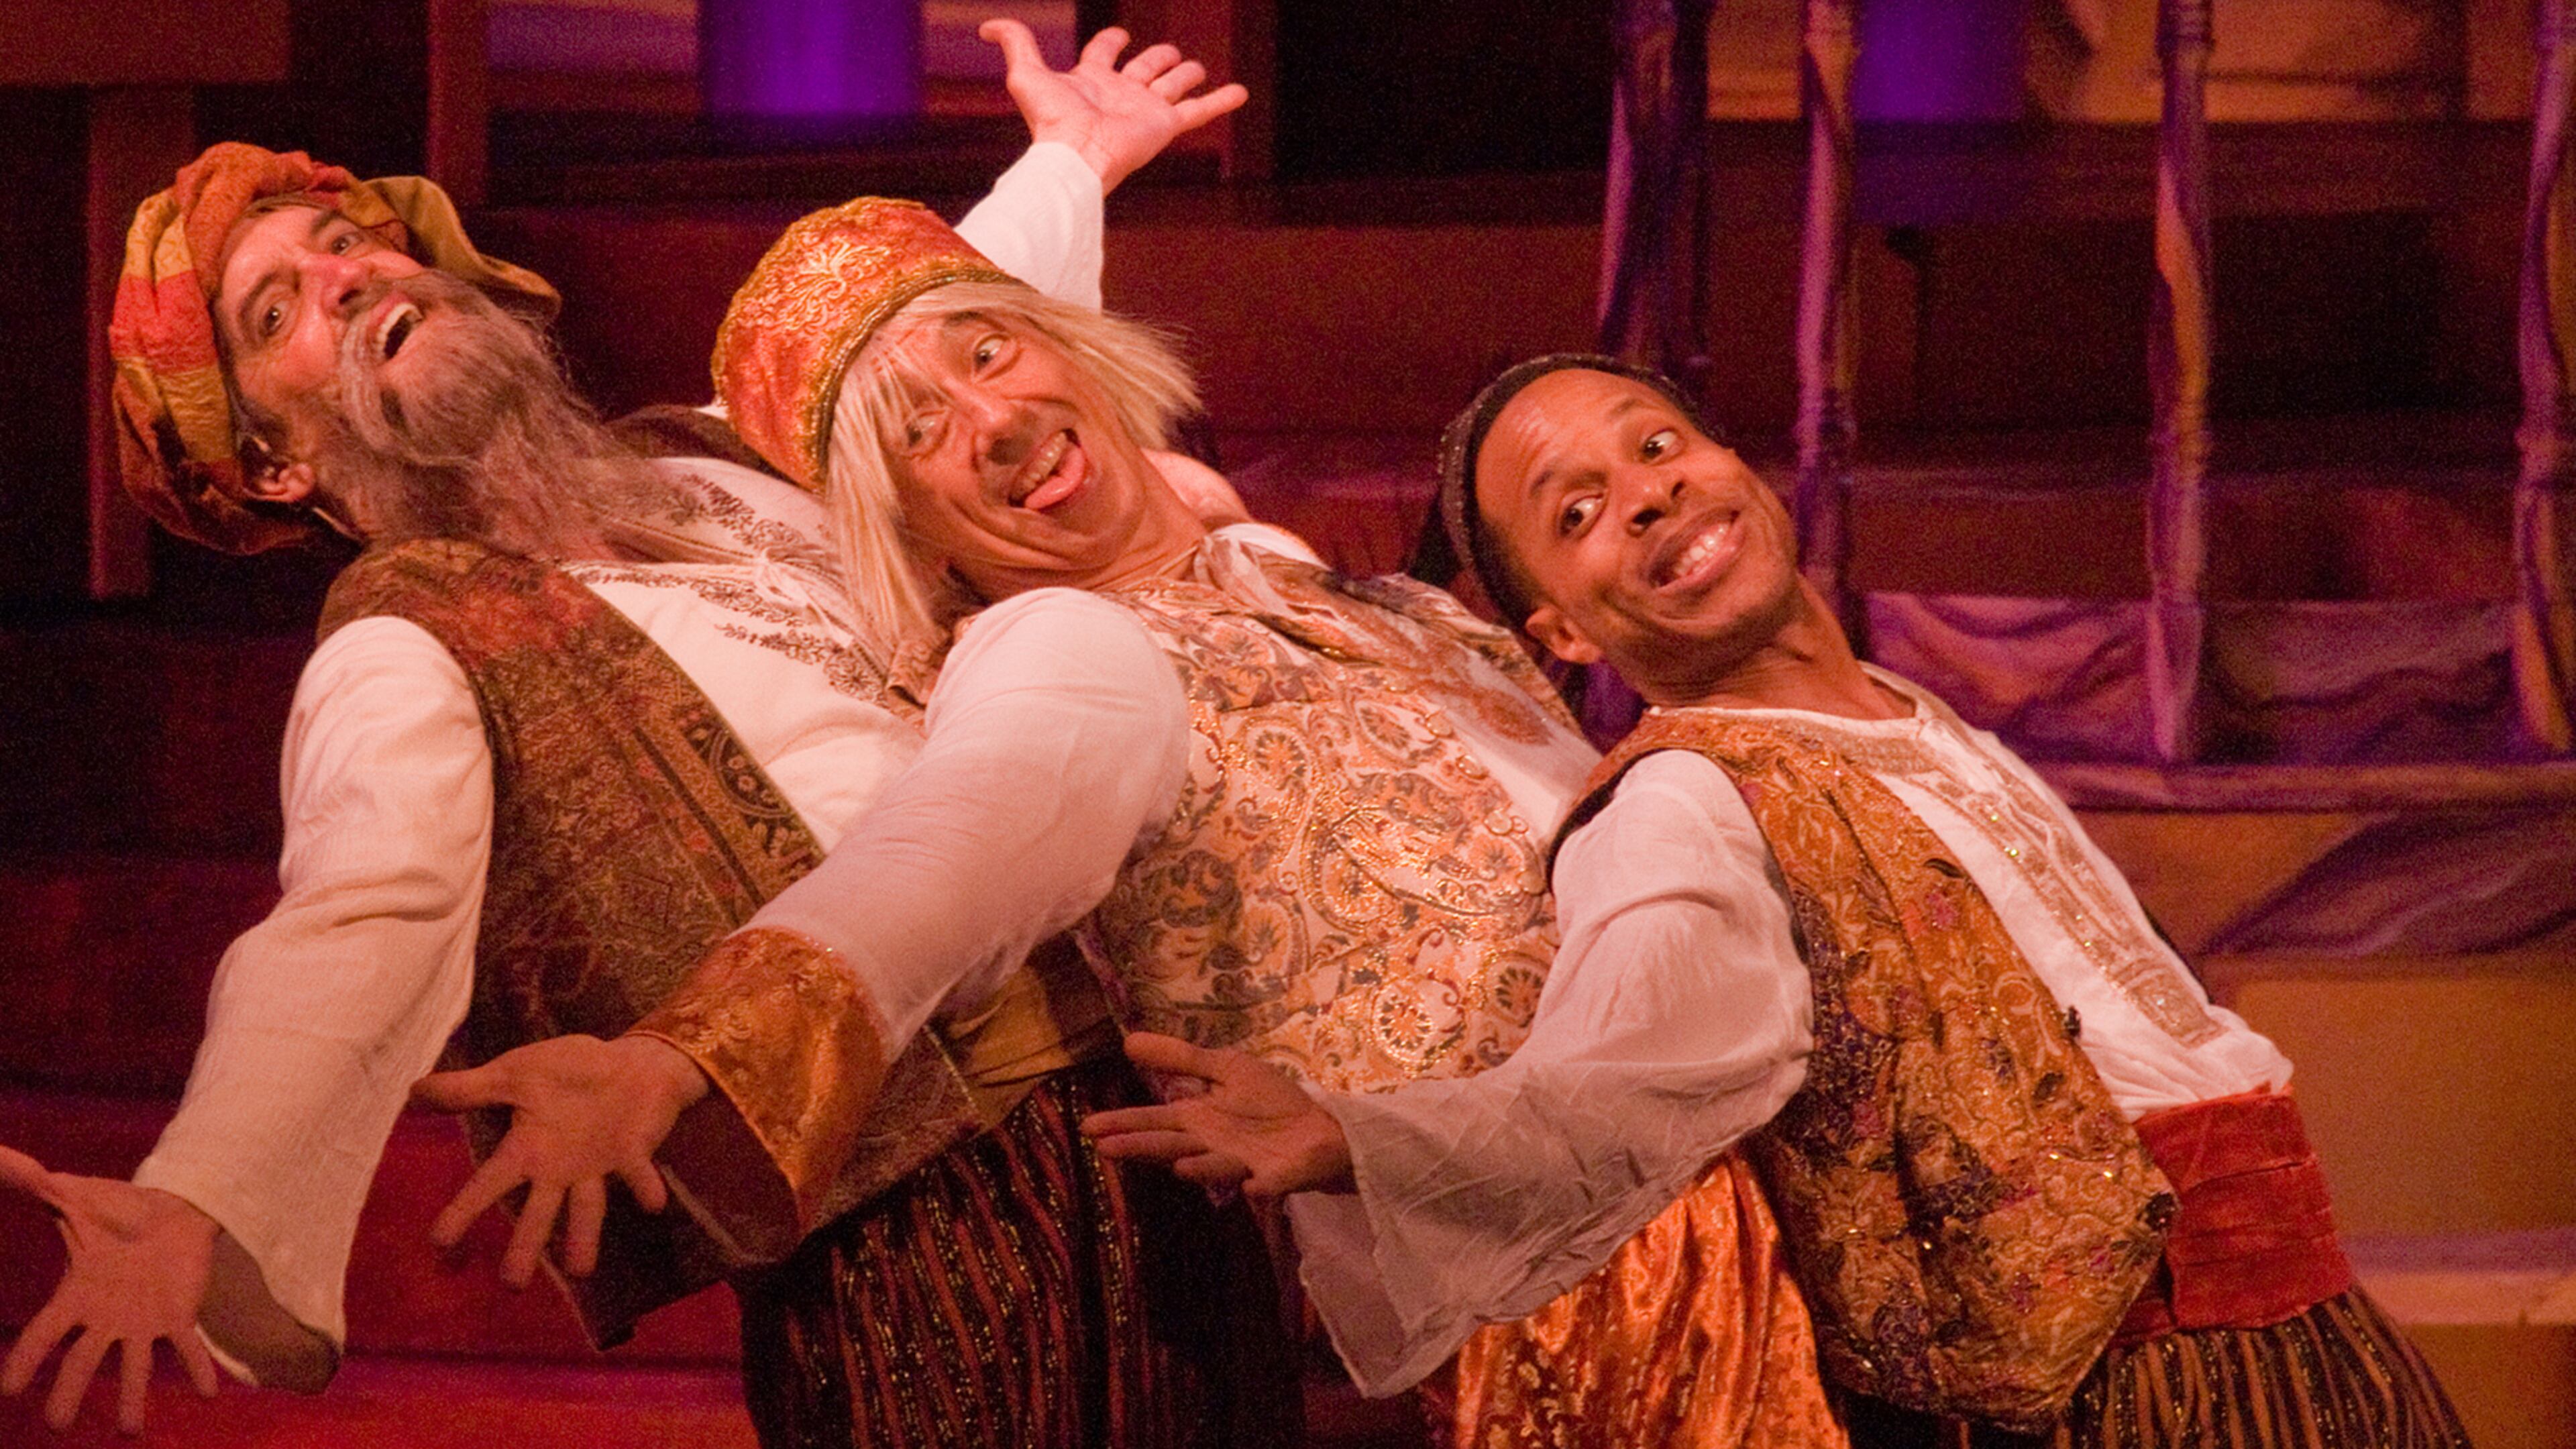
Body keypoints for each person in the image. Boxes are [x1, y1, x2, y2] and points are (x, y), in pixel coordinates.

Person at [418, 180, 1867, 1447]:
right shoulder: (1054, 650)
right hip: (1576, 1300)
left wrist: (1080, 165)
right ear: (900, 519)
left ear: (1067, 345)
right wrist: (683, 1063)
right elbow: (950, 855)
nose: (991, 423)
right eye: (921, 429)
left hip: (1784, 1201)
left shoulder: (1358, 592)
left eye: (991, 354)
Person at [0, 25, 1289, 1448]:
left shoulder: (712, 462)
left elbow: (905, 348)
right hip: (914, 1216)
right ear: (273, 461)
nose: (345, 272)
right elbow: (363, 909)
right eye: (276, 312)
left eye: (345, 238)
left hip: (1162, 1137)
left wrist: (1073, 156)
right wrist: (205, 1187)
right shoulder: (408, 632)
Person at [1084, 353, 2478, 1449]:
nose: (1645, 494)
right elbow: (1612, 1084)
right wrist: (1353, 1140)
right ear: (1563, 631)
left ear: (1733, 463)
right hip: (2130, 1392)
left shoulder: (1921, 719)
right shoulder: (1685, 804)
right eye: (1575, 513)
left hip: (2311, 1337)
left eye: (1655, 445)